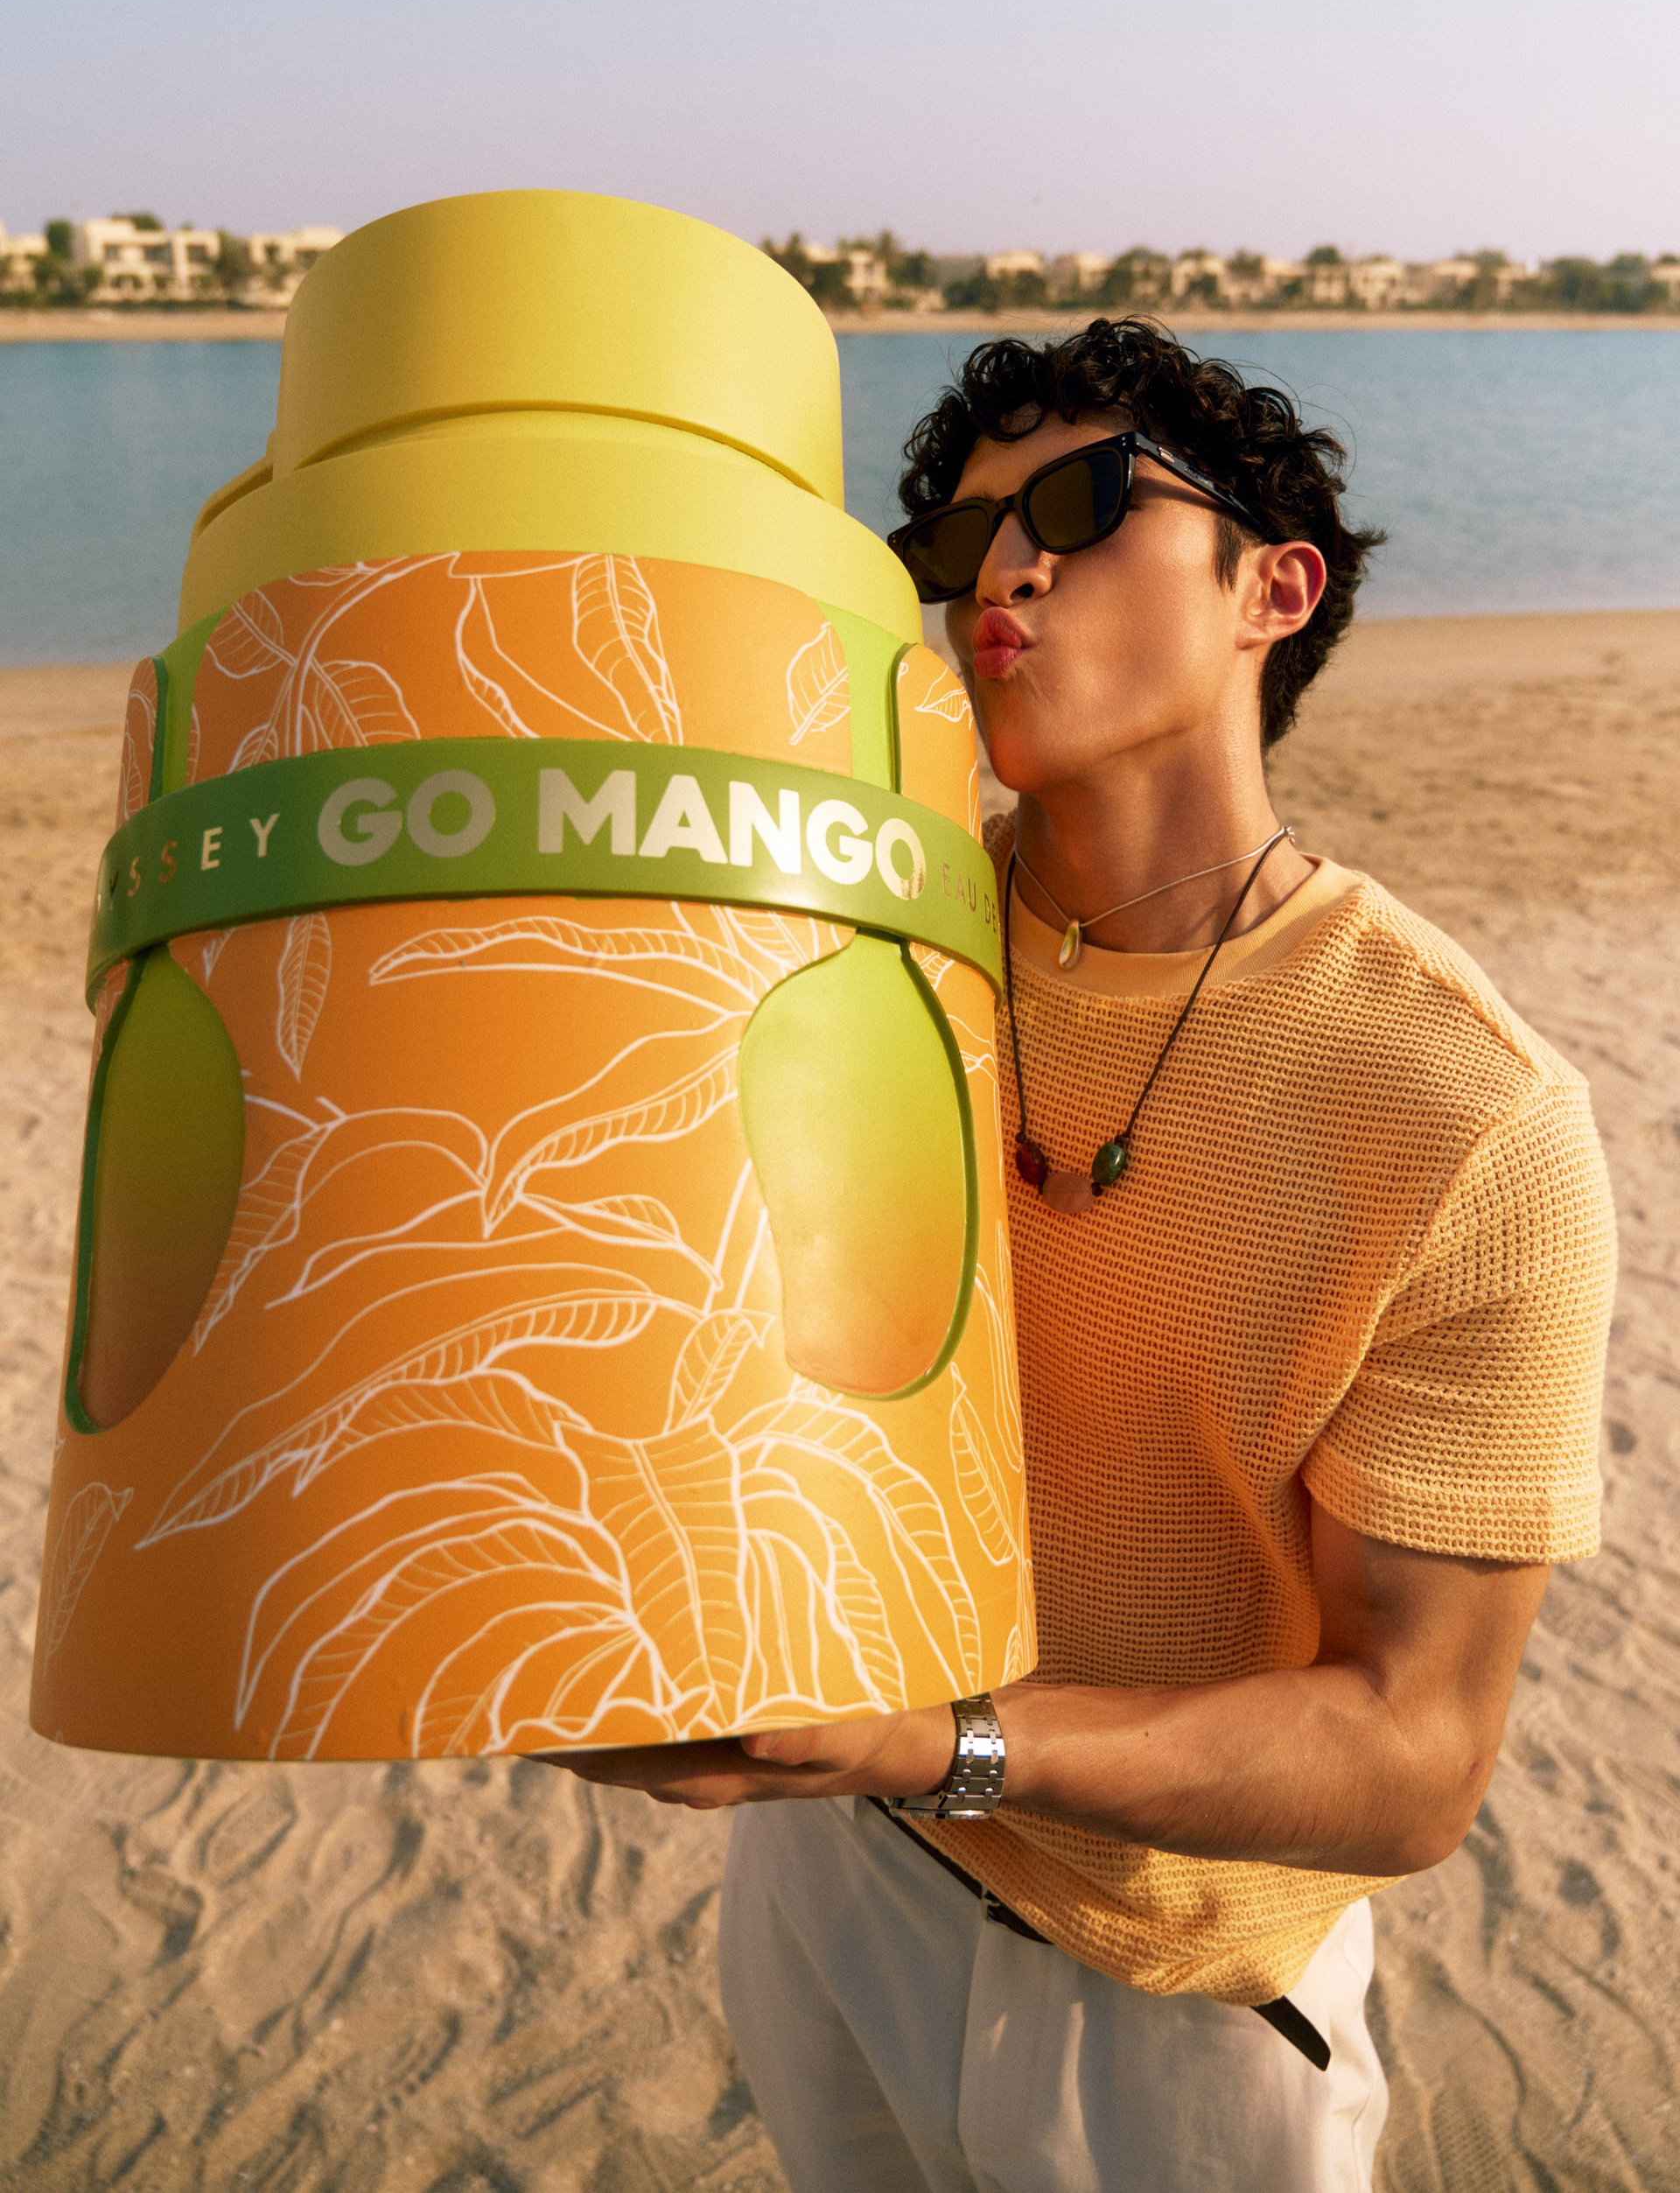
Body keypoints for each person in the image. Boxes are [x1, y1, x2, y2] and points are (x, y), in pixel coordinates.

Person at [548, 319, 1616, 2191]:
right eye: (958, 543)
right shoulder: (826, 924)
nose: (1003, 574)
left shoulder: (1463, 1107)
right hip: (831, 1871)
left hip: (1176, 2000)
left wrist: (943, 1741)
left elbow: (1416, 1754)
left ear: (1274, 589)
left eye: (1082, 505)